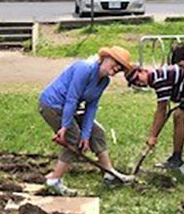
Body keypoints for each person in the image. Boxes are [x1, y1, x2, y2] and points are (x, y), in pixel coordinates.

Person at [38, 46, 133, 195]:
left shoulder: (104, 81)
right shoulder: (85, 68)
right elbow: (72, 97)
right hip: (52, 105)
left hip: (71, 108)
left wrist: (86, 135)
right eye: (116, 63)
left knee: (97, 131)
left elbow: (91, 107)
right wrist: (64, 126)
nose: (117, 68)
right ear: (105, 58)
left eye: (120, 67)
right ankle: (54, 180)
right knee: (73, 139)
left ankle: (109, 173)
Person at [125, 43, 184, 170]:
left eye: (137, 78)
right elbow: (164, 109)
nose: (138, 83)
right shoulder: (157, 78)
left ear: (144, 71)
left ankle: (176, 158)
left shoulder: (158, 79)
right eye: (134, 83)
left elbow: (161, 110)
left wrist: (153, 136)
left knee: (179, 116)